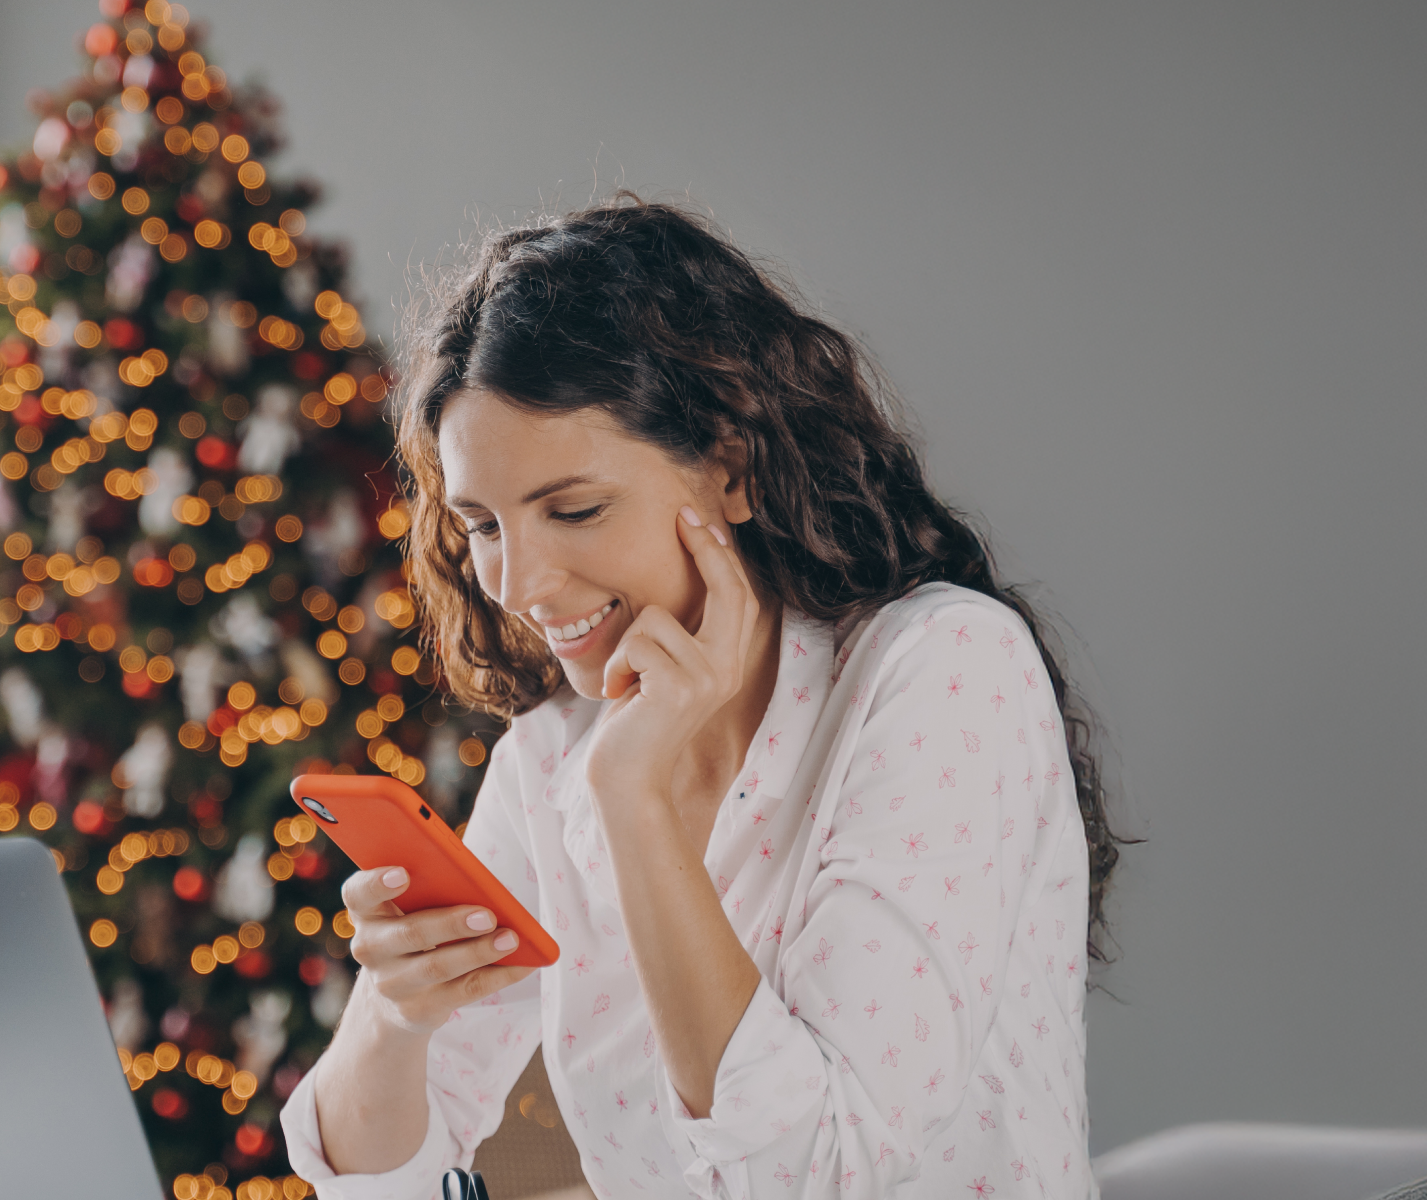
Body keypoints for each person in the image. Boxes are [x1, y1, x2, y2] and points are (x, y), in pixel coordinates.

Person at [276, 200, 1126, 1200]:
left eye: (576, 510)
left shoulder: (944, 671)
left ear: (728, 465)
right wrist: (394, 1012)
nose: (519, 584)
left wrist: (634, 805)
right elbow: (377, 1190)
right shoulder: (553, 757)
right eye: (483, 525)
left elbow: (818, 1172)